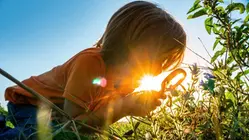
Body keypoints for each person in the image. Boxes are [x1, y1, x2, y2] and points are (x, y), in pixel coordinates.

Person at [0, 0, 186, 139]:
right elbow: (72, 125)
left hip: (60, 114)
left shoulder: (128, 83)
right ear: (129, 43)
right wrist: (123, 108)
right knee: (44, 136)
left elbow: (94, 122)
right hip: (30, 103)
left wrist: (129, 107)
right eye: (159, 57)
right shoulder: (90, 64)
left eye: (166, 62)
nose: (161, 68)